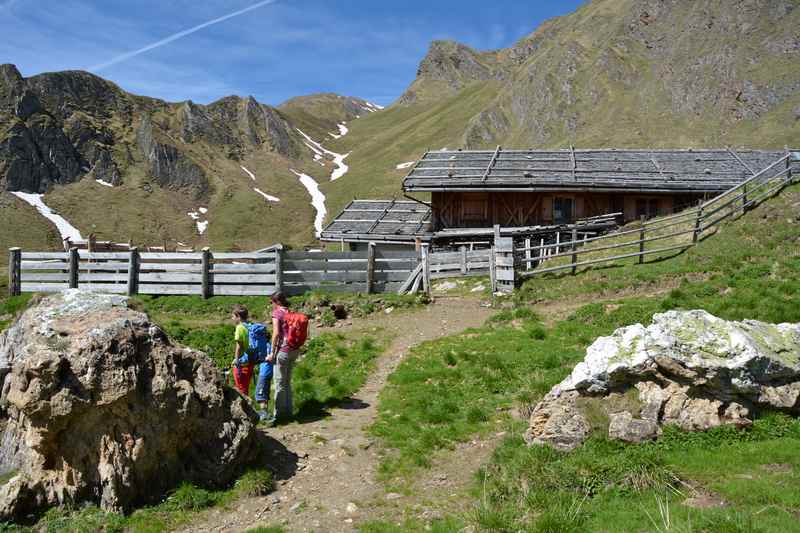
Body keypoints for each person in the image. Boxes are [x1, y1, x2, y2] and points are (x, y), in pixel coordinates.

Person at [267, 291, 300, 423]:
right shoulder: (290, 312)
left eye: (272, 302)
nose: (272, 305)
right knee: (287, 382)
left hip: (283, 351)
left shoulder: (277, 313)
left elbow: (275, 334)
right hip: (293, 350)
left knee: (279, 383)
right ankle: (288, 412)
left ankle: (278, 416)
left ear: (277, 302)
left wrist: (272, 353)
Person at [230, 304, 254, 397]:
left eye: (233, 316)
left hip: (242, 363)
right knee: (245, 387)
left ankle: (244, 409)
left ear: (238, 317)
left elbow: (239, 347)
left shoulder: (239, 328)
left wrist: (236, 360)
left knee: (241, 390)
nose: (232, 318)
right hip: (250, 361)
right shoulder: (249, 326)